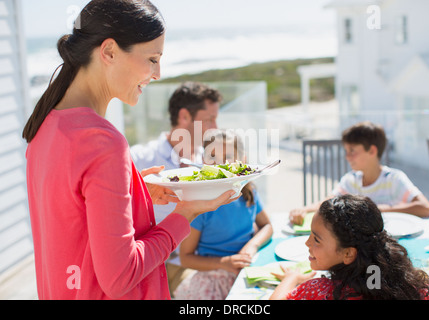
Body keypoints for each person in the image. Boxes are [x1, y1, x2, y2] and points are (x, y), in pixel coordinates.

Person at [22, 0, 235, 300]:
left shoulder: (45, 127)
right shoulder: (102, 141)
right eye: (152, 58)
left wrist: (136, 192)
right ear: (108, 51)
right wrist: (183, 215)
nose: (158, 73)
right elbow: (121, 277)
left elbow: (72, 222)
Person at [270, 194, 429, 300]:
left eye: (316, 239)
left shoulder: (318, 291)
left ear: (348, 254)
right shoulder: (414, 286)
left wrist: (291, 278)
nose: (307, 243)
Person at [173, 129, 273, 300]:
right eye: (212, 156)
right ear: (204, 161)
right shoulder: (200, 204)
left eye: (227, 156)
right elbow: (185, 258)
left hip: (246, 270)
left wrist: (253, 245)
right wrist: (224, 263)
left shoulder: (249, 192)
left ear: (243, 160)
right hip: (213, 277)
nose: (219, 163)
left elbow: (267, 226)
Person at [290, 121, 429, 225]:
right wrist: (305, 209)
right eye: (346, 151)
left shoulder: (393, 179)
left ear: (372, 151)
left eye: (352, 151)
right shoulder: (350, 181)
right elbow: (329, 201)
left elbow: (425, 208)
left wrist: (381, 210)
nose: (347, 156)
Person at [130, 81, 222, 224]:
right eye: (210, 119)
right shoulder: (137, 159)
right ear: (184, 116)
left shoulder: (211, 161)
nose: (215, 128)